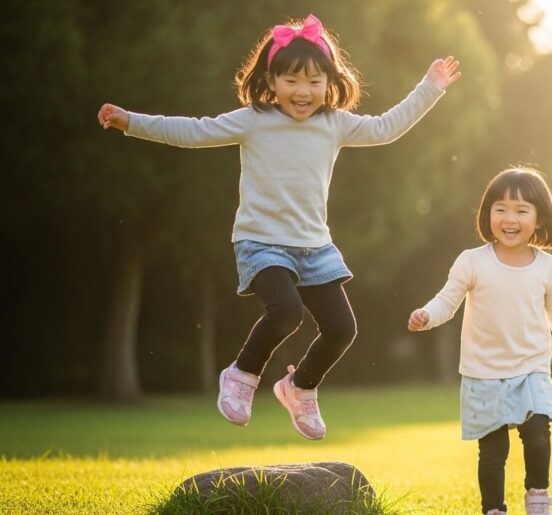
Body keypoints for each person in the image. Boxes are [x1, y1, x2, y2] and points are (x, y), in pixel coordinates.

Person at [97, 14, 462, 440]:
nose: (302, 92)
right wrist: (131, 122)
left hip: (315, 247)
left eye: (313, 81)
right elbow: (193, 132)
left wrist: (430, 87)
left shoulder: (335, 124)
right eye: (291, 81)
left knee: (343, 328)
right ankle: (240, 375)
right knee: (285, 311)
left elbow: (386, 127)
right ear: (271, 81)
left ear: (329, 82)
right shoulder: (254, 120)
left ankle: (300, 387)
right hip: (262, 243)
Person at [408, 167, 552, 515]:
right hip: (484, 371)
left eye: (521, 210)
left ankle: (538, 497)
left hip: (531, 368)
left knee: (539, 434)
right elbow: (446, 302)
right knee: (493, 451)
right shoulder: (472, 261)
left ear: (539, 217)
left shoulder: (548, 267)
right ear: (488, 214)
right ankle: (494, 513)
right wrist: (426, 316)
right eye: (501, 208)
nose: (509, 219)